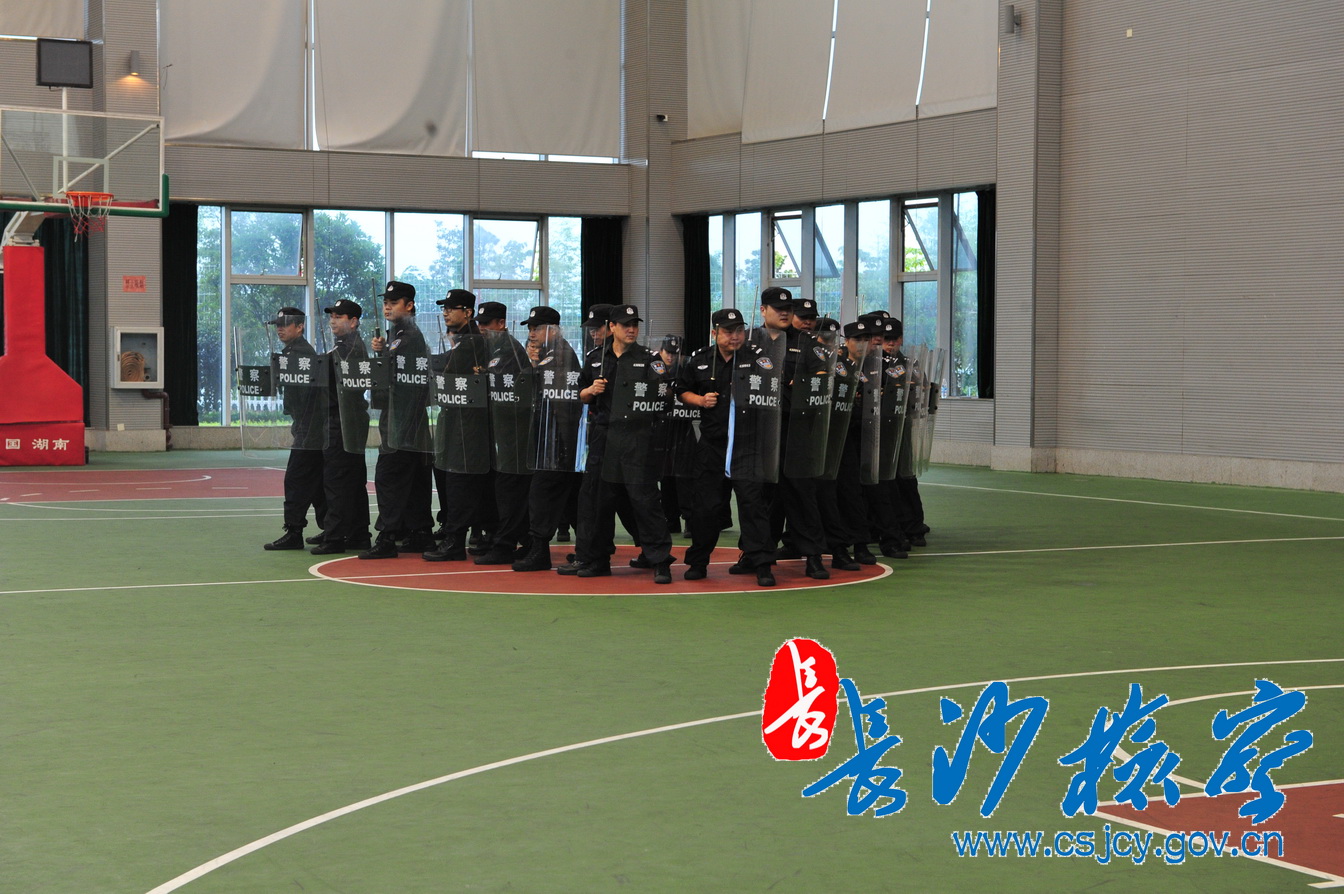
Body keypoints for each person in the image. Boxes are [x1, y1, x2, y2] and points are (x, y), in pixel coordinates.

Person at [570, 304, 675, 583]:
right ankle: (598, 559)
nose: (631, 329)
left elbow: (665, 396)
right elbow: (580, 394)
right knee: (598, 500)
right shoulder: (595, 358)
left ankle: (659, 560)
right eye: (625, 325)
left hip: (637, 437)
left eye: (635, 325)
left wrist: (656, 397)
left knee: (645, 499)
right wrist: (591, 390)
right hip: (603, 437)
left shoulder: (650, 358)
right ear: (612, 327)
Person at [676, 308, 778, 585]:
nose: (735, 336)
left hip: (748, 444)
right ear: (715, 333)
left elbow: (774, 389)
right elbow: (681, 390)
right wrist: (699, 400)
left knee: (752, 504)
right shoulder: (700, 360)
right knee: (705, 507)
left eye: (739, 331)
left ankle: (762, 563)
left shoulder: (757, 358)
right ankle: (698, 562)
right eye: (728, 331)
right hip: (713, 445)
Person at [752, 287, 830, 580]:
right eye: (777, 308)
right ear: (763, 310)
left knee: (801, 494)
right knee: (759, 498)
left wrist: (808, 380)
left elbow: (823, 373)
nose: (784, 313)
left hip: (795, 430)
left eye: (788, 309)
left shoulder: (808, 343)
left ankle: (813, 556)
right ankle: (757, 554)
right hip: (759, 431)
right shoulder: (749, 341)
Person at [359, 281, 435, 559]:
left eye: (394, 302)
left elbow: (407, 383)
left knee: (388, 477)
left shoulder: (409, 336)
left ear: (409, 305)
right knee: (414, 480)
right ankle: (420, 532)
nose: (387, 307)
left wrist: (385, 354)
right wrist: (382, 352)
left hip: (403, 422)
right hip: (402, 421)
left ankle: (388, 536)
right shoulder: (397, 335)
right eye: (385, 303)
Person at [423, 289, 493, 562]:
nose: (445, 313)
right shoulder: (459, 341)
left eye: (451, 308)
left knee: (460, 482)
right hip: (454, 419)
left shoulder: (472, 342)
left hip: (468, 424)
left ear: (468, 312)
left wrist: (433, 362)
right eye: (444, 308)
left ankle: (455, 540)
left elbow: (445, 369)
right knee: (453, 479)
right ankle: (470, 533)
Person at [512, 306, 583, 571]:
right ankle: (588, 549)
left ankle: (540, 551)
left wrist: (532, 366)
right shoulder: (548, 354)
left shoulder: (559, 356)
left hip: (557, 440)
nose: (532, 333)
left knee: (542, 494)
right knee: (571, 498)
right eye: (530, 328)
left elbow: (554, 401)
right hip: (550, 438)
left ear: (553, 329)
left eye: (537, 328)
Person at [263, 307, 327, 550]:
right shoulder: (291, 353)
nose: (279, 329)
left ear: (299, 327)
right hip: (307, 425)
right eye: (277, 324)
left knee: (296, 479)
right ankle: (330, 527)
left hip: (310, 427)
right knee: (316, 481)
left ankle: (294, 531)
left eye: (285, 324)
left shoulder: (301, 354)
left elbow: (306, 397)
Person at [311, 299, 371, 555]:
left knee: (336, 480)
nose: (332, 321)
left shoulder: (350, 349)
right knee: (352, 480)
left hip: (342, 420)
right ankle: (357, 533)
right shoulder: (342, 347)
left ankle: (335, 536)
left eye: (339, 317)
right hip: (343, 419)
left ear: (353, 321)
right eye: (331, 316)